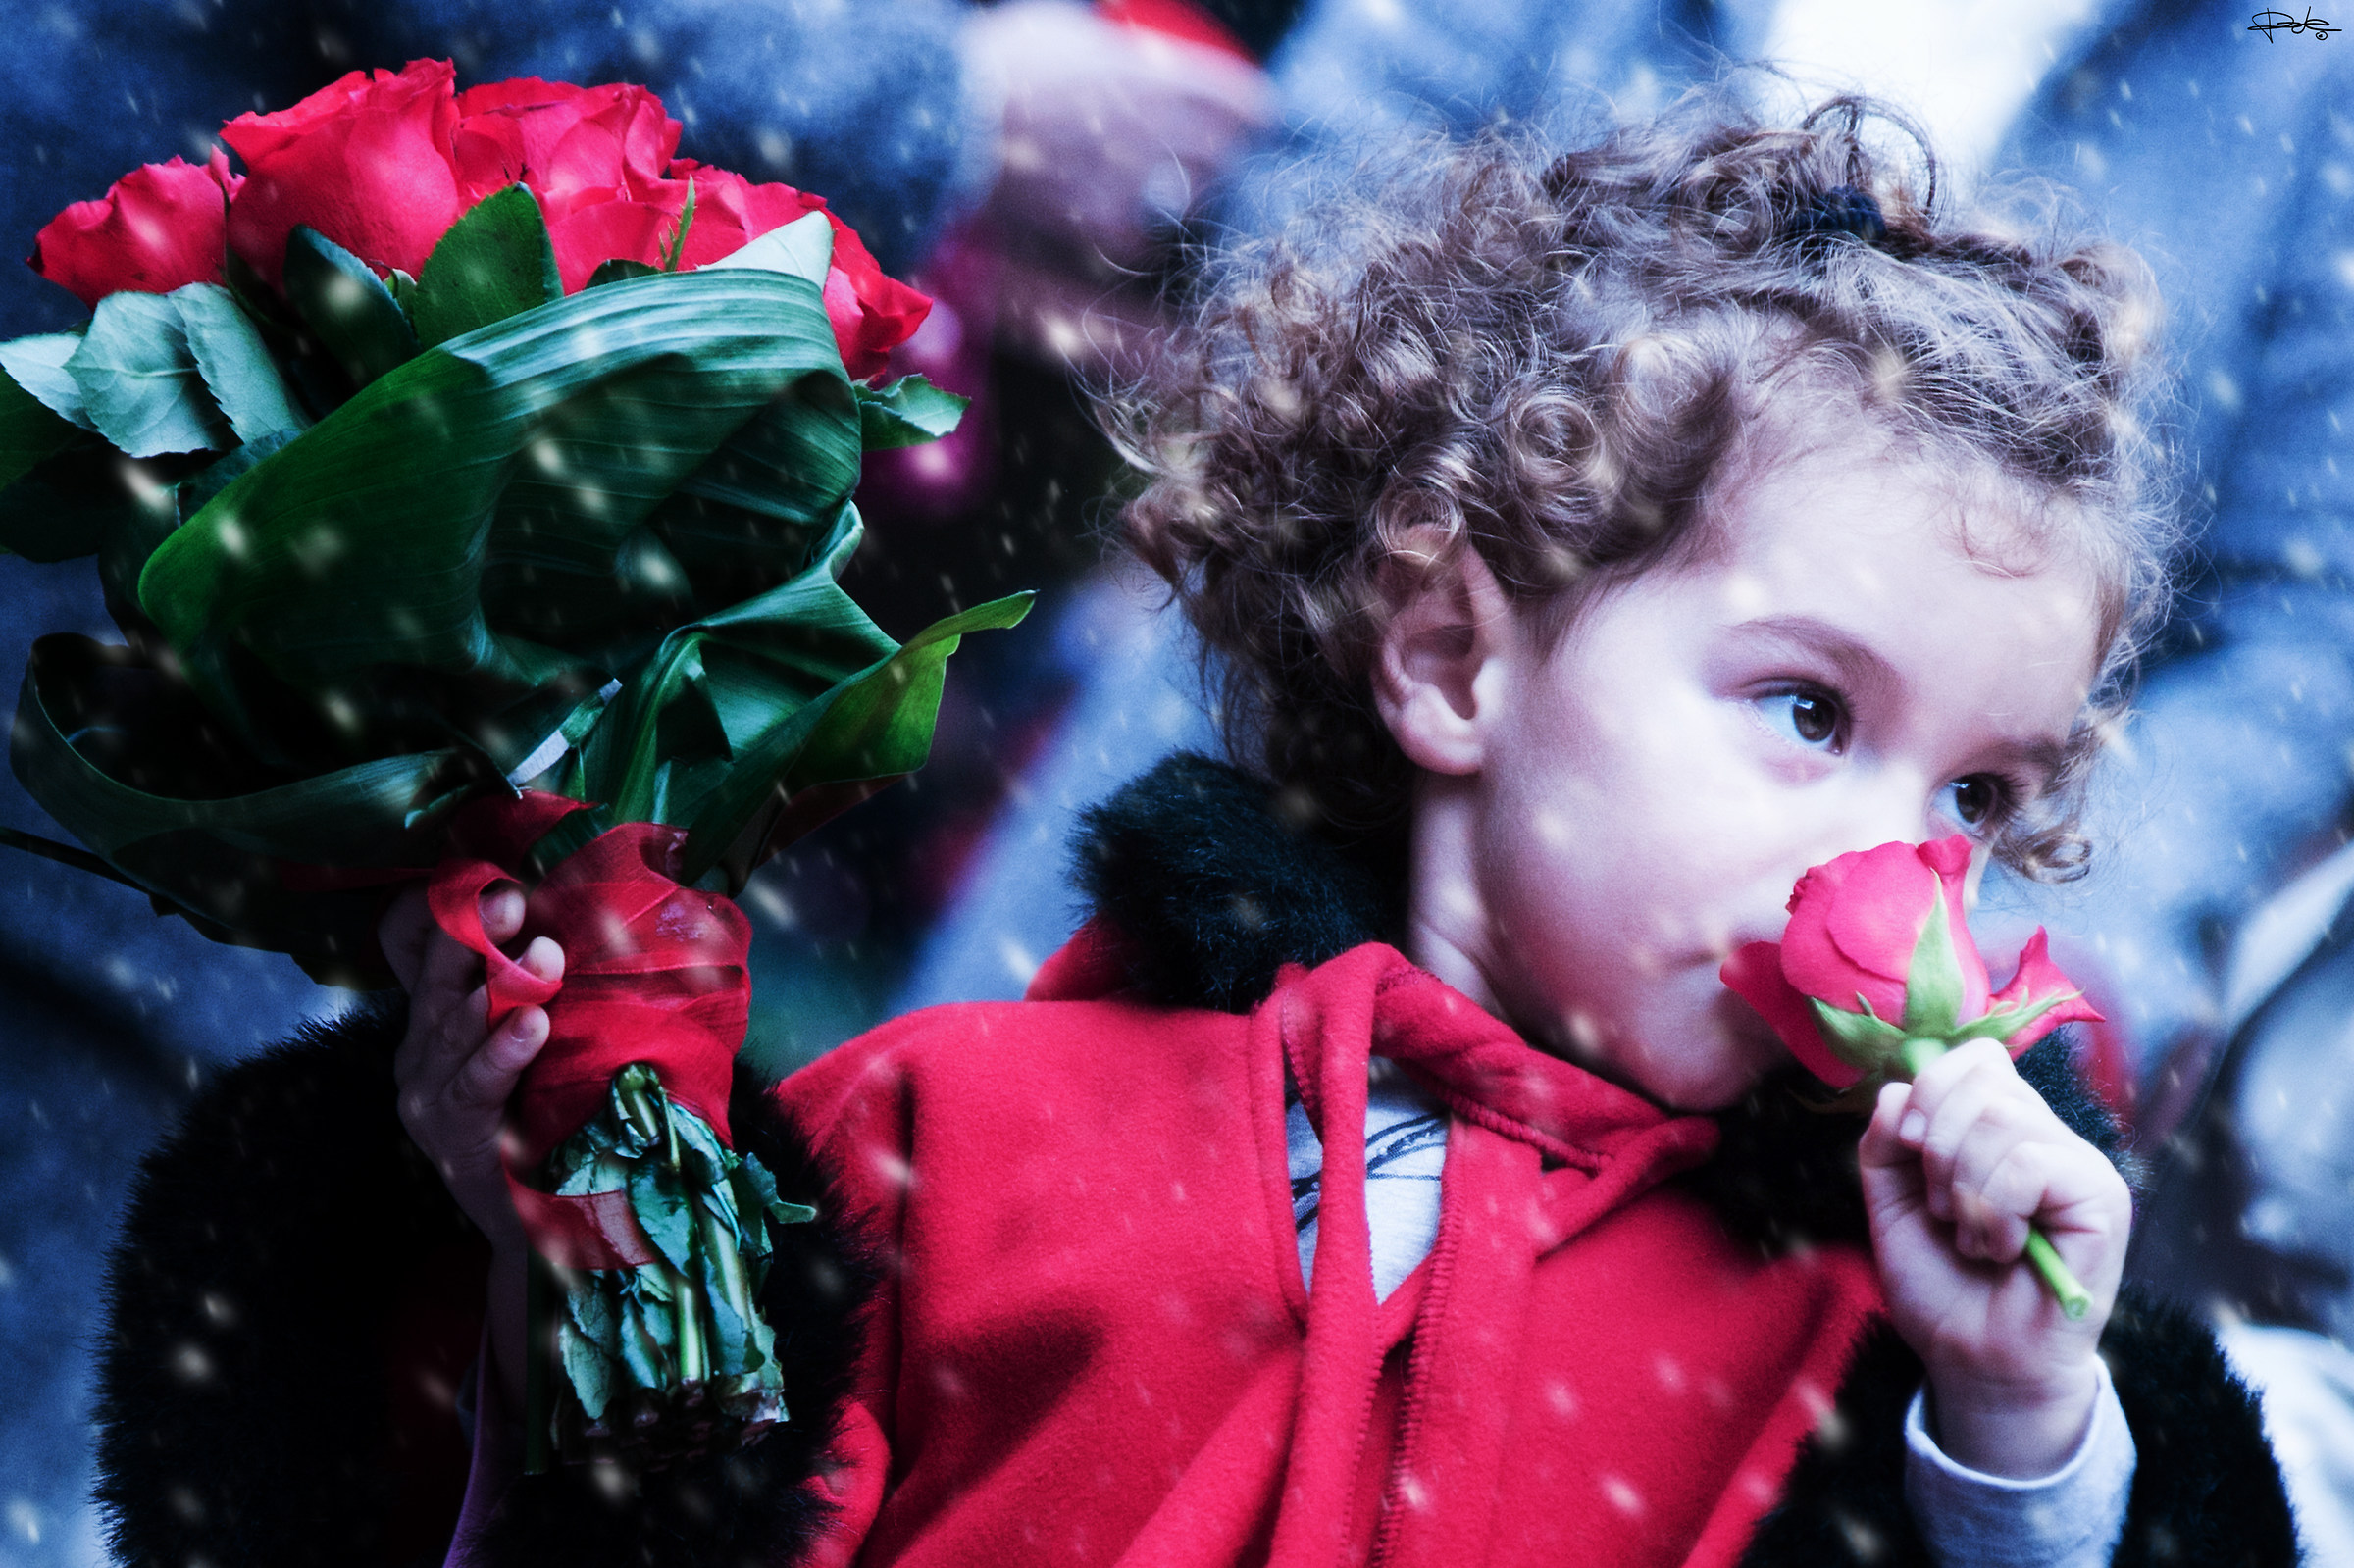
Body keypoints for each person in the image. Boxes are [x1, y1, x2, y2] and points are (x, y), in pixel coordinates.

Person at [95, 94, 2295, 1566]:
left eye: (1982, 797)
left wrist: (2025, 1421)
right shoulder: (953, 1134)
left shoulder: (1871, 1326)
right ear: (1452, 657)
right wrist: (551, 1248)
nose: (1893, 866)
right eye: (1807, 709)